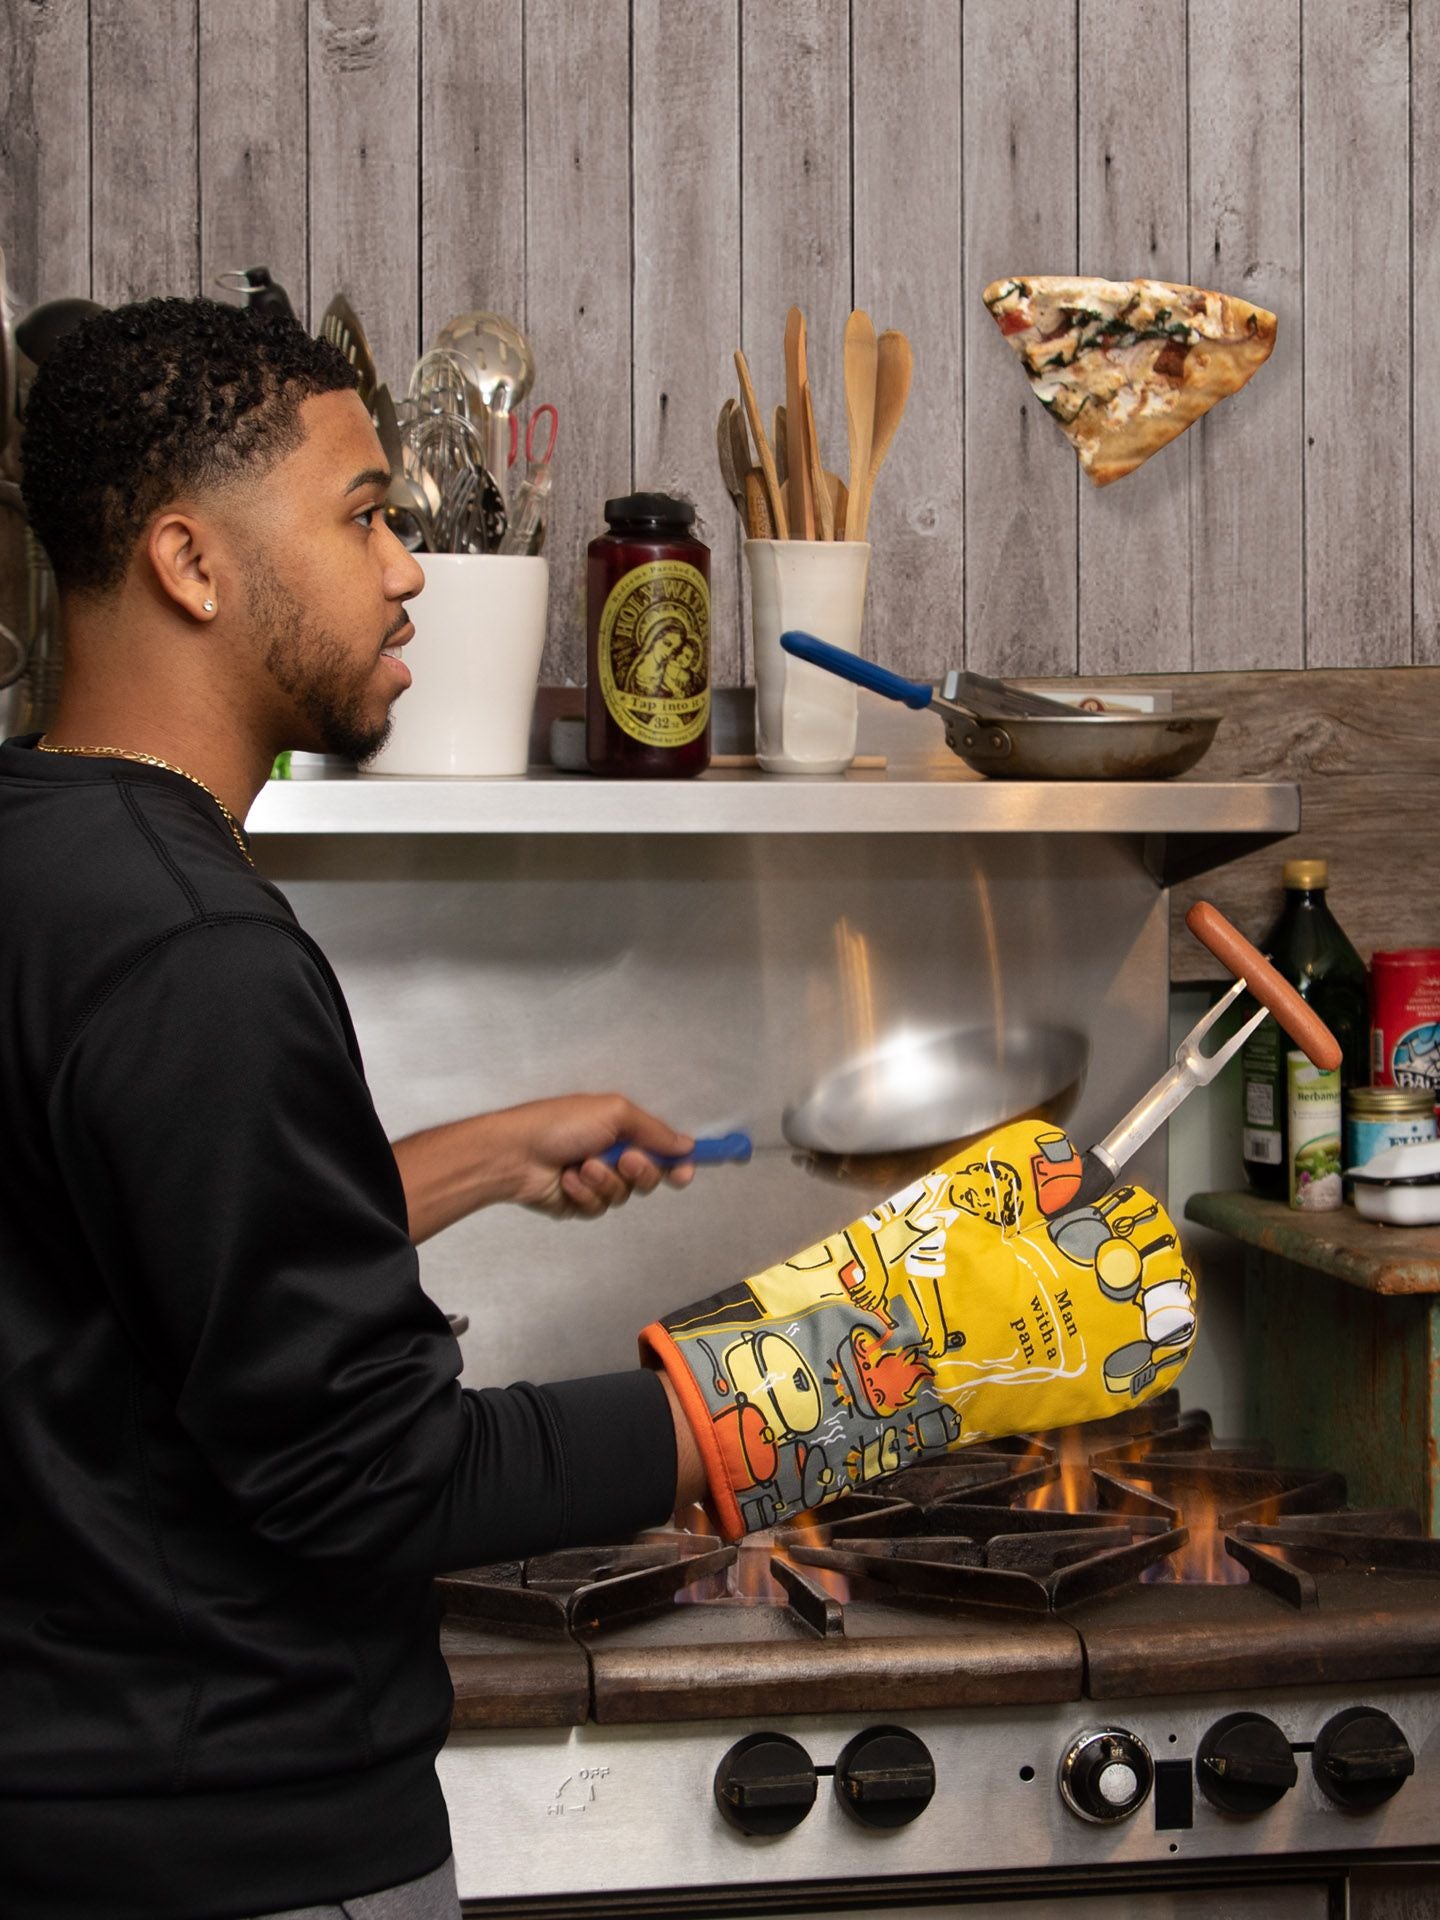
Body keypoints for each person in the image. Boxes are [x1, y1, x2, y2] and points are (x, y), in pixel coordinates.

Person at [0, 297, 706, 1920]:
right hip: (240, 1844)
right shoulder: (199, 957)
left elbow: (123, 1281)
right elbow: (368, 1477)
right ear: (192, 563)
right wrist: (824, 1381)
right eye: (368, 515)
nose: (405, 570)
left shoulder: (47, 869)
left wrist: (479, 1155)